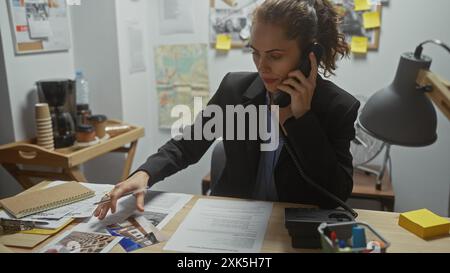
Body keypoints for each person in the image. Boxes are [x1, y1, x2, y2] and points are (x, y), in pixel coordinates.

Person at [95, 0, 360, 220]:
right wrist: (145, 174)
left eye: (275, 56)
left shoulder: (338, 108)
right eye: (255, 52)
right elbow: (188, 144)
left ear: (309, 55)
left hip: (290, 230)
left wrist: (301, 119)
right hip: (232, 220)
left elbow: (334, 193)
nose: (261, 66)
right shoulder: (235, 89)